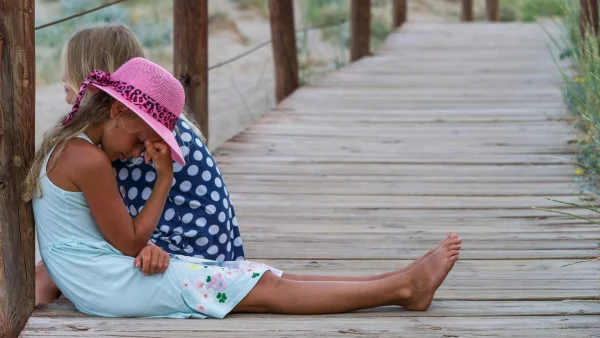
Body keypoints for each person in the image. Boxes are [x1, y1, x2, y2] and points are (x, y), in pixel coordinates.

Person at [27, 57, 461, 318]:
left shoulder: (72, 148)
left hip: (105, 281)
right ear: (118, 111)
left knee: (263, 278)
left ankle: (397, 280)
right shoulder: (89, 159)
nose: (140, 152)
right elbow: (129, 243)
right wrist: (164, 179)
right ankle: (402, 289)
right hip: (111, 284)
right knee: (265, 290)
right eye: (141, 139)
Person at [35, 24, 244, 305]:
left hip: (188, 249)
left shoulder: (139, 133)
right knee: (48, 271)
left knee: (48, 274)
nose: (68, 98)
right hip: (208, 244)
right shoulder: (148, 120)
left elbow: (124, 236)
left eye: (70, 86)